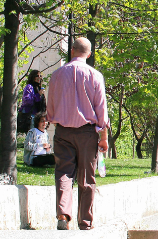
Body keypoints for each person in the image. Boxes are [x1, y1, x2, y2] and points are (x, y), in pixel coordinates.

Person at [46, 37, 109, 230]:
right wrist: (104, 137)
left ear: (72, 51)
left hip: (63, 132)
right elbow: (101, 110)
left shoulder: (56, 75)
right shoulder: (95, 75)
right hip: (87, 133)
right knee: (87, 177)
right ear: (89, 54)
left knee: (63, 173)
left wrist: (55, 122)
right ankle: (85, 221)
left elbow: (50, 106)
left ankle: (63, 214)